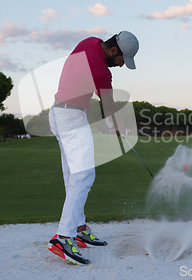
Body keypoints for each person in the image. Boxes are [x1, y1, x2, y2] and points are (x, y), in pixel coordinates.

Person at [47, 31, 139, 265]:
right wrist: (118, 125)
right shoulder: (102, 71)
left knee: (73, 177)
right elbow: (107, 103)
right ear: (114, 50)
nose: (120, 66)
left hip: (60, 113)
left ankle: (78, 228)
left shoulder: (88, 42)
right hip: (71, 118)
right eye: (121, 61)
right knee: (84, 174)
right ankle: (63, 237)